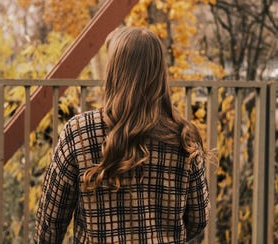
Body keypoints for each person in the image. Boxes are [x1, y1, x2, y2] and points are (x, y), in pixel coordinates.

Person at [34, 26, 210, 243]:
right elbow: (199, 219)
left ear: (113, 72)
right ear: (158, 73)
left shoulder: (79, 131)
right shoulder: (183, 136)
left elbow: (49, 224)